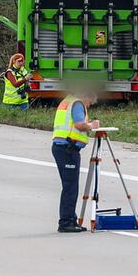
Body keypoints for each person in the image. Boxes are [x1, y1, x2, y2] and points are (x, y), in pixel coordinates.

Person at [51, 91, 101, 233]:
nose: (89, 106)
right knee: (70, 187)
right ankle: (66, 222)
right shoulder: (78, 103)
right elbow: (79, 124)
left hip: (63, 148)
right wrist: (92, 125)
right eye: (90, 103)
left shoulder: (68, 101)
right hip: (67, 149)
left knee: (70, 186)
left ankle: (71, 219)